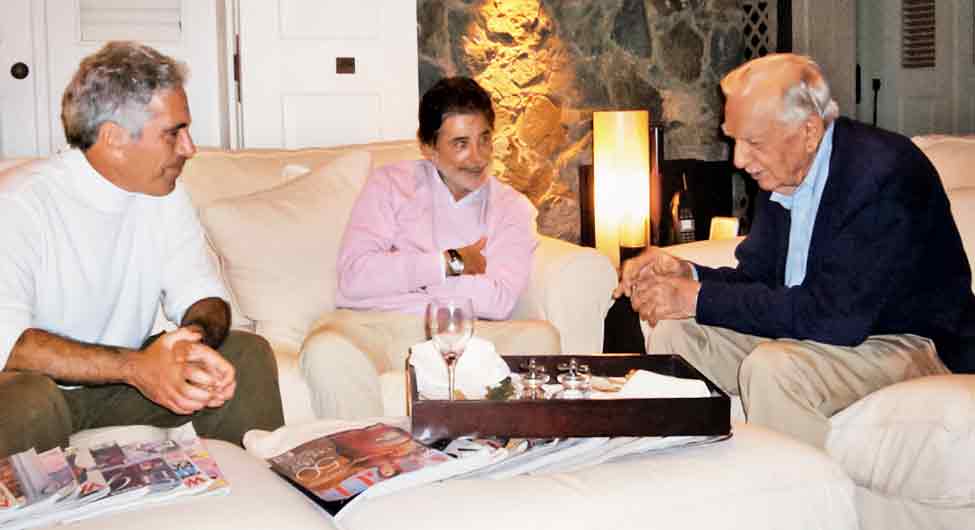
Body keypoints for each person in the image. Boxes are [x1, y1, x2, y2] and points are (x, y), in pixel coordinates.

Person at [615, 53, 974, 449]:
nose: (739, 160)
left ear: (809, 131)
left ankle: (797, 488)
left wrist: (696, 298)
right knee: (677, 334)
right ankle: (692, 476)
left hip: (910, 341)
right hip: (830, 333)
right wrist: (688, 274)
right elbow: (758, 282)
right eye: (734, 140)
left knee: (774, 368)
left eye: (753, 142)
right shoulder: (783, 173)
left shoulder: (882, 174)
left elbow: (834, 318)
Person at [0, 41, 284, 457]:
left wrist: (190, 344)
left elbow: (202, 294)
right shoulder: (19, 204)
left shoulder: (164, 195)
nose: (189, 148)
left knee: (247, 355)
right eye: (174, 133)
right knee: (27, 401)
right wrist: (136, 368)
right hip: (35, 387)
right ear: (114, 138)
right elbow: (11, 344)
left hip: (121, 384)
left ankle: (257, 493)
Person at [334, 76, 538, 320]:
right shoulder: (390, 184)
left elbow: (498, 301)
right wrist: (451, 263)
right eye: (461, 144)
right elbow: (354, 278)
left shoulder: (511, 207)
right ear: (428, 147)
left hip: (454, 331)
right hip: (372, 326)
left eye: (484, 140)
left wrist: (400, 273)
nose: (478, 158)